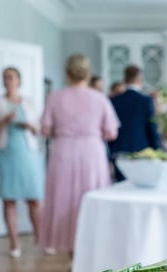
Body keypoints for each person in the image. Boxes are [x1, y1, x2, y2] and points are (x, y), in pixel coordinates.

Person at [40, 54, 120, 255]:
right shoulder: (99, 98)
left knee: (64, 200)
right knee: (90, 200)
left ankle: (72, 255)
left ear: (67, 73)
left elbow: (45, 129)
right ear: (88, 73)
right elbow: (111, 132)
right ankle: (89, 255)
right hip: (91, 153)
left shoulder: (55, 97)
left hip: (63, 152)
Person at [0, 67, 44, 259]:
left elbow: (40, 128)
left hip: (26, 153)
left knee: (34, 199)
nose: (9, 80)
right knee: (8, 199)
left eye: (12, 77)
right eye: (5, 77)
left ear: (19, 80)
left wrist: (30, 126)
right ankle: (14, 243)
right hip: (4, 154)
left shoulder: (29, 102)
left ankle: (41, 240)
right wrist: (3, 120)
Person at [108, 65, 161, 182]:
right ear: (139, 79)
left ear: (125, 79)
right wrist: (158, 151)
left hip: (119, 153)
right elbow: (152, 128)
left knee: (120, 190)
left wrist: (111, 153)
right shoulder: (146, 101)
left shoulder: (113, 101)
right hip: (143, 154)